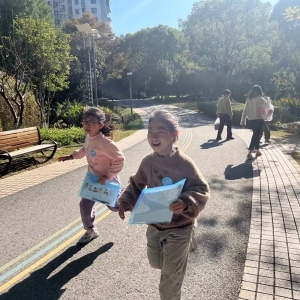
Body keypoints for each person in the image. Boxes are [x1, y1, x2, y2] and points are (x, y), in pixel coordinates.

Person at [117, 109, 210, 300]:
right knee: (155, 263)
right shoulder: (148, 161)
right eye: (150, 130)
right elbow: (136, 183)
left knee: (169, 280)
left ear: (174, 135)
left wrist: (185, 203)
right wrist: (126, 201)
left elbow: (201, 189)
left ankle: (185, 243)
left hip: (180, 227)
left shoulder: (185, 163)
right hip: (155, 223)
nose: (154, 136)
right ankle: (188, 245)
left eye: (160, 131)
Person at [58, 107, 125, 244]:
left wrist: (107, 175)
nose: (87, 125)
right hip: (92, 180)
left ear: (100, 125)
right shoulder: (89, 138)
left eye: (91, 122)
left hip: (107, 181)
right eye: (85, 122)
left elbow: (120, 159)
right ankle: (91, 230)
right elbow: (84, 149)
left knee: (114, 207)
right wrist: (71, 156)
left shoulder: (105, 143)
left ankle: (129, 200)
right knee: (85, 205)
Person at [240, 85, 267, 160]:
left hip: (251, 120)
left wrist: (243, 120)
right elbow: (267, 108)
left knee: (256, 135)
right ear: (260, 91)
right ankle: (250, 152)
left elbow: (245, 111)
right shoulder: (261, 99)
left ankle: (257, 151)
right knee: (255, 135)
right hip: (259, 119)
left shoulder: (249, 99)